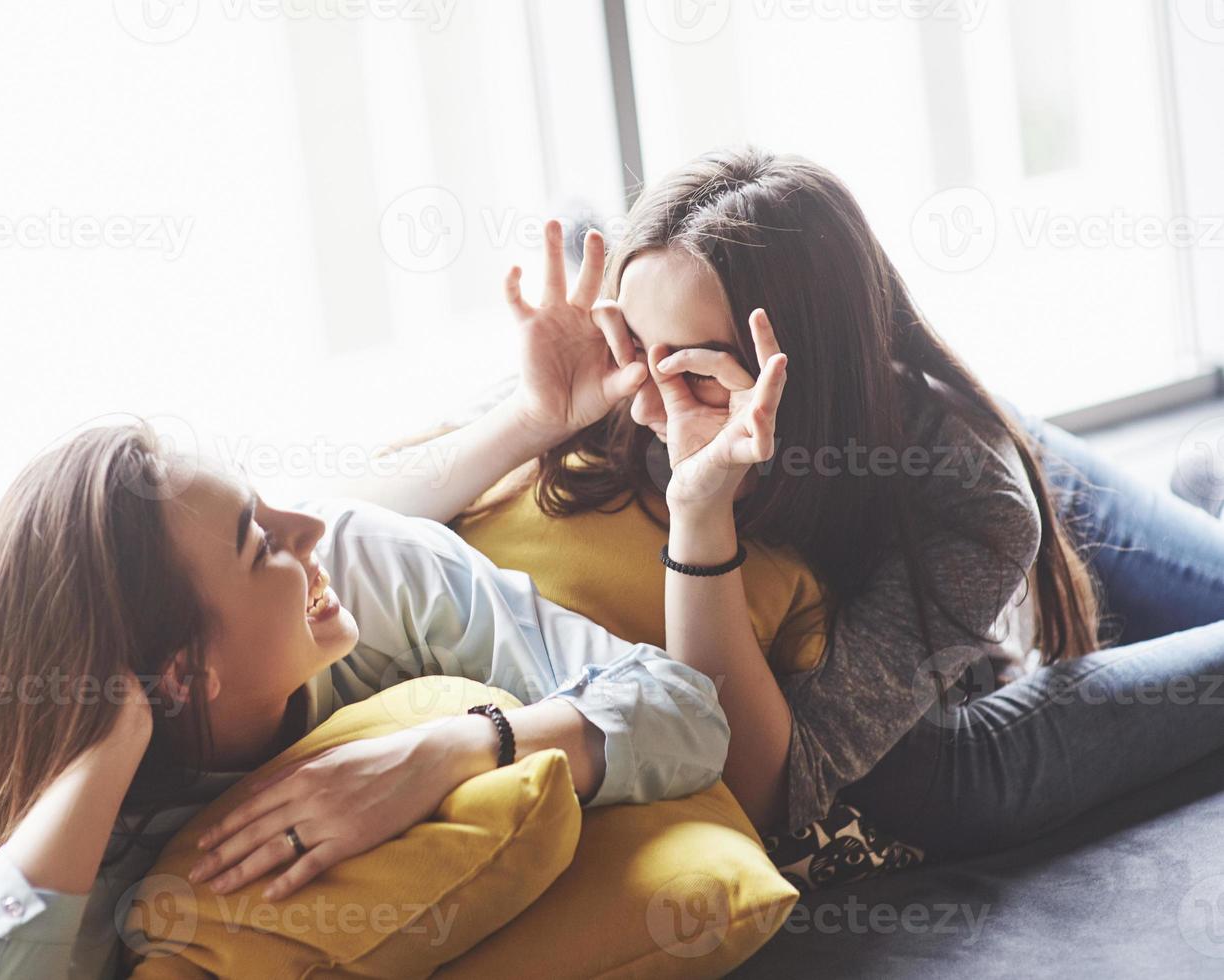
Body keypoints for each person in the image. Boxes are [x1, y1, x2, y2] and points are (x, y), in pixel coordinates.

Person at [340, 145, 1224, 858]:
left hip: (941, 705)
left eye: (691, 369)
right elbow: (349, 531)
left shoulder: (971, 498)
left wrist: (700, 506)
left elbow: (773, 786)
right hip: (895, 409)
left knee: (962, 799)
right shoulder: (625, 368)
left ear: (799, 377)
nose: (647, 399)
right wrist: (529, 415)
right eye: (635, 342)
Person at [0, 423, 732, 978]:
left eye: (264, 500)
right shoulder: (107, 840)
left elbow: (685, 709)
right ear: (182, 678)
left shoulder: (367, 566)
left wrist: (452, 747)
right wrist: (112, 742)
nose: (307, 525)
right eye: (260, 539)